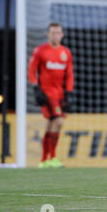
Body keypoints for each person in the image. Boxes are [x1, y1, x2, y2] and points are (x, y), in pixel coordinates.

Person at [28, 22, 74, 169]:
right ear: (48, 34)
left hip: (60, 94)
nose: (55, 35)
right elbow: (31, 71)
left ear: (62, 34)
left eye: (58, 32)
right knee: (58, 122)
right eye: (53, 32)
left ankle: (44, 160)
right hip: (47, 94)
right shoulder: (40, 51)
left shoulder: (65, 52)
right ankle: (52, 158)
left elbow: (70, 74)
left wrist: (69, 92)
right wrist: (36, 89)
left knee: (51, 125)